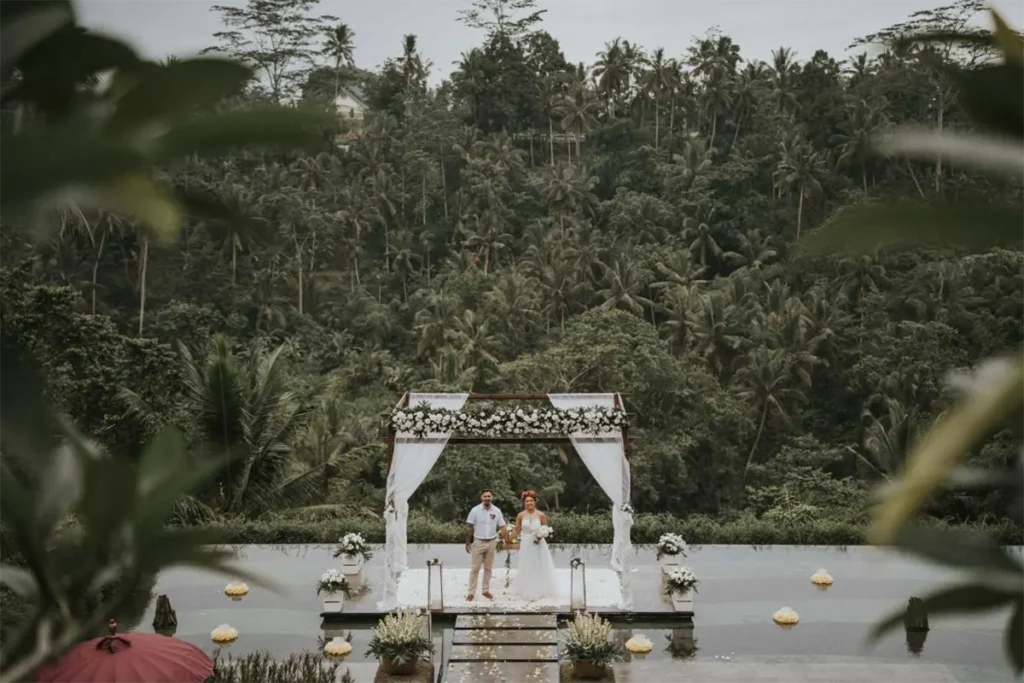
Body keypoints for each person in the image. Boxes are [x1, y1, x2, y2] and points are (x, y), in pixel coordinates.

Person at [511, 489, 558, 601]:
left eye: (531, 501)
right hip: (526, 542)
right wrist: (507, 539)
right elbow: (517, 530)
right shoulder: (521, 515)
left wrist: (541, 535)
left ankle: (541, 589)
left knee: (539, 564)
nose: (529, 503)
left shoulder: (541, 515)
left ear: (535, 501)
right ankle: (527, 588)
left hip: (538, 543)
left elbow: (545, 528)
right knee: (527, 564)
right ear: (524, 502)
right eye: (527, 501)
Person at [465, 489, 509, 601]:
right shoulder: (475, 510)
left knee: (488, 568)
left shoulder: (497, 511)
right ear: (481, 498)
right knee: (475, 568)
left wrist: (507, 540)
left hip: (491, 542)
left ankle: (485, 590)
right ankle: (471, 593)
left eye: (489, 496)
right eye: (485, 496)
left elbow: (502, 526)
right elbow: (469, 527)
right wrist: (467, 543)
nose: (487, 498)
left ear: (492, 497)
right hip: (478, 542)